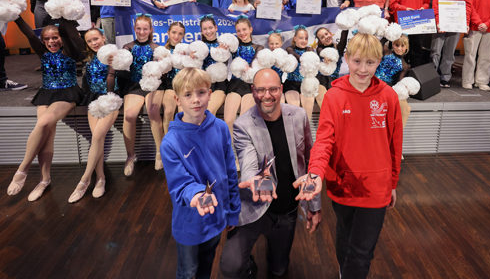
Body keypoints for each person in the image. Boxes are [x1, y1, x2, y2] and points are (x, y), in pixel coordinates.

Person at [295, 33, 402, 279]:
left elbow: (395, 144)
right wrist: (315, 174)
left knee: (363, 251)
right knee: (344, 237)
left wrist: (392, 182)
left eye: (370, 63)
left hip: (376, 186)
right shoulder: (334, 96)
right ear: (346, 59)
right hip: (342, 185)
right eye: (356, 62)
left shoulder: (388, 96)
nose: (363, 69)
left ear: (379, 62)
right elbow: (323, 141)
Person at [219, 68, 321, 279]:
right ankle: (250, 268)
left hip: (286, 210)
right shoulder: (242, 125)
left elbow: (312, 162)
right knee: (231, 267)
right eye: (261, 90)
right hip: (253, 207)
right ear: (253, 91)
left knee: (278, 270)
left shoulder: (299, 115)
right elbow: (247, 161)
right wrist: (251, 179)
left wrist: (315, 205)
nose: (267, 95)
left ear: (281, 90)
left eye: (273, 89)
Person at [161, 67, 240, 279]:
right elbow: (180, 184)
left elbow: (230, 171)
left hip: (217, 216)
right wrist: (196, 194)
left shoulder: (222, 128)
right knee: (188, 271)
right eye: (188, 95)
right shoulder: (170, 142)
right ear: (178, 99)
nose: (196, 100)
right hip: (189, 222)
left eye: (201, 93)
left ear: (210, 94)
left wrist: (232, 210)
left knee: (207, 265)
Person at [7, 17, 85, 201]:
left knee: (42, 123)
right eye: (47, 39)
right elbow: (29, 34)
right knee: (46, 136)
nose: (52, 42)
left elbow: (69, 33)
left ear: (61, 38)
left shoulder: (71, 52)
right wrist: (16, 16)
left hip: (67, 93)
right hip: (46, 94)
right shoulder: (43, 52)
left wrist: (63, 15)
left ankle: (22, 170)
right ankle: (44, 180)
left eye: (55, 37)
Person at [68, 28, 119, 203]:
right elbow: (87, 85)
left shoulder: (113, 55)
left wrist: (110, 97)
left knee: (97, 135)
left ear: (104, 37)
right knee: (97, 138)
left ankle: (84, 180)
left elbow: (112, 77)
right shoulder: (88, 60)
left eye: (96, 39)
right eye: (90, 41)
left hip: (111, 100)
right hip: (93, 102)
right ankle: (101, 178)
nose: (94, 43)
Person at [122, 14, 164, 174]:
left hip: (153, 85)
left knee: (153, 111)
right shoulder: (128, 47)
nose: (141, 31)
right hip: (135, 84)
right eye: (138, 28)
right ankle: (130, 156)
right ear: (134, 29)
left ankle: (160, 153)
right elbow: (121, 63)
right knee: (130, 115)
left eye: (145, 29)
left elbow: (163, 69)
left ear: (151, 30)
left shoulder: (156, 48)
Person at [431, 0, 476, 88]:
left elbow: (468, 7)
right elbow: (435, 6)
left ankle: (445, 77)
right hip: (440, 25)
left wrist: (465, 23)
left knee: (449, 52)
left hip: (456, 24)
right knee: (436, 51)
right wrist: (438, 22)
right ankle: (433, 77)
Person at [224, 16, 263, 139]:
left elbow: (256, 68)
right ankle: (232, 153)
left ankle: (242, 153)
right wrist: (222, 51)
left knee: (243, 122)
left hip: (250, 86)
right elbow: (222, 61)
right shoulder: (233, 47)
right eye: (238, 31)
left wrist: (249, 69)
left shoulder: (258, 47)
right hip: (235, 85)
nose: (242, 33)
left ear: (250, 29)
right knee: (229, 120)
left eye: (244, 29)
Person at [390, 0, 431, 67]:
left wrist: (424, 7)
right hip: (403, 22)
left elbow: (427, 2)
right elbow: (393, 4)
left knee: (416, 50)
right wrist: (405, 8)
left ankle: (414, 75)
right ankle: (398, 74)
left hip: (418, 23)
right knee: (400, 49)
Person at [199, 15, 229, 115]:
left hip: (220, 86)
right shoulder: (199, 47)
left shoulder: (224, 45)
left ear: (216, 28)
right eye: (205, 29)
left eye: (210, 28)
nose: (208, 31)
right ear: (202, 31)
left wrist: (222, 52)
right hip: (202, 86)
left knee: (208, 112)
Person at [284, 26, 315, 120]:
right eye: (301, 38)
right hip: (291, 83)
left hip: (306, 83)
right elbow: (295, 55)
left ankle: (306, 131)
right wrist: (304, 60)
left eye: (306, 38)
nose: (304, 41)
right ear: (295, 38)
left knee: (307, 113)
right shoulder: (289, 49)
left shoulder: (309, 50)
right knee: (295, 111)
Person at [314, 27, 349, 109]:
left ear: (330, 33)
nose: (326, 37)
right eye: (322, 37)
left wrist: (346, 25)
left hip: (333, 81)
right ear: (320, 41)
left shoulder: (338, 49)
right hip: (321, 80)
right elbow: (321, 53)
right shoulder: (320, 49)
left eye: (326, 34)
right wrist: (325, 58)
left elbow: (343, 37)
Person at [162, 22, 185, 137]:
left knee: (183, 113)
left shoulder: (186, 51)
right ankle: (168, 142)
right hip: (170, 85)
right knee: (168, 112)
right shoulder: (163, 51)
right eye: (174, 32)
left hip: (184, 86)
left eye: (180, 34)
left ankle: (183, 143)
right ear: (168, 33)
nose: (176, 36)